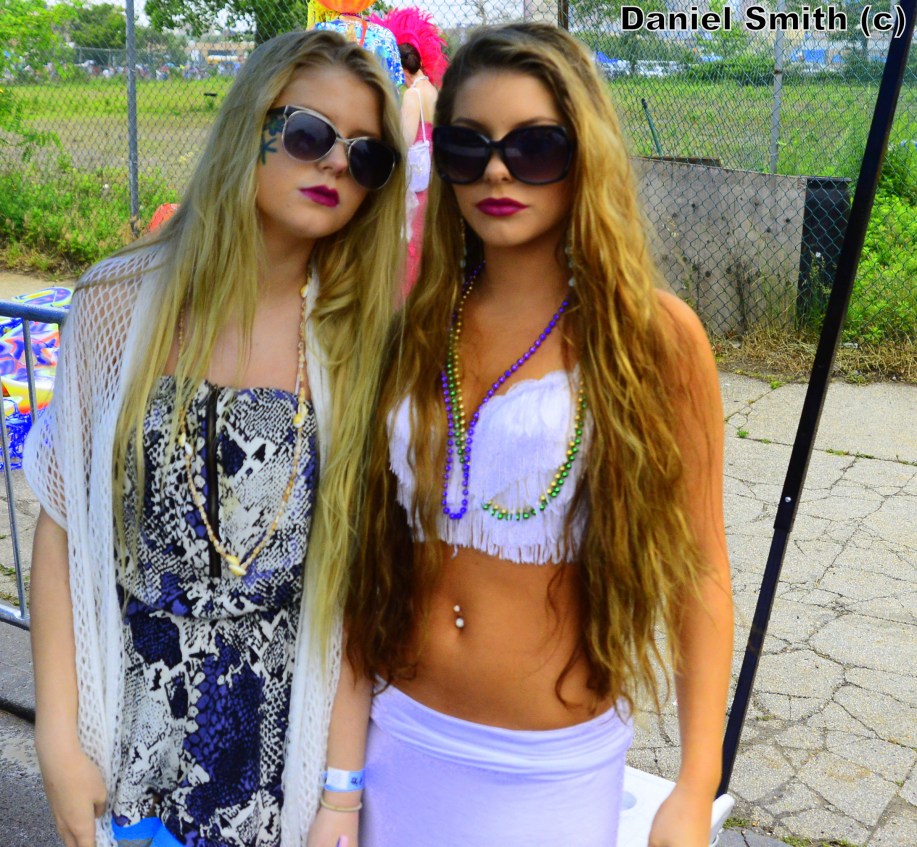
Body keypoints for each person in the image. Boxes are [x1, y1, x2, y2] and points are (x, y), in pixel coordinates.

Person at [345, 22, 734, 847]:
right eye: (468, 146)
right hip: (398, 739)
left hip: (548, 772)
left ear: (583, 155)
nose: (496, 170)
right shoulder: (416, 324)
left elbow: (699, 572)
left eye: (533, 147)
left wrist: (695, 783)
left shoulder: (653, 338)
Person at [24, 29, 404, 847]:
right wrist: (57, 737)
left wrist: (339, 793)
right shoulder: (115, 303)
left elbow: (353, 590)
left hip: (278, 756)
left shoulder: (357, 343)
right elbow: (62, 529)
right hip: (126, 733)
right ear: (248, 126)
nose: (336, 164)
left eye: (367, 154)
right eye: (309, 133)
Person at [374, 8, 448, 296]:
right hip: (433, 176)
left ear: (400, 66)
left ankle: (405, 296)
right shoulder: (432, 90)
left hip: (415, 180)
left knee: (409, 240)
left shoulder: (412, 95)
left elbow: (403, 144)